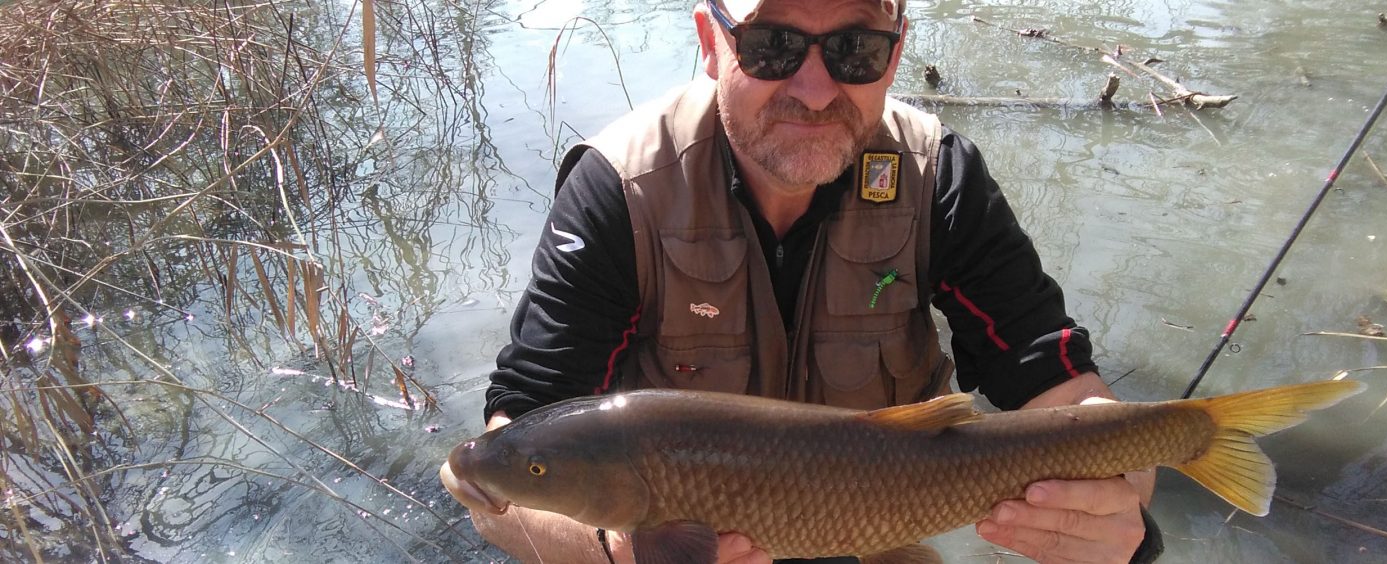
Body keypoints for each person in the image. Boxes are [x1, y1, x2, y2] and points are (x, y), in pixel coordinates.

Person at [448, 0, 1163, 562]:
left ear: (895, 55)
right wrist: (614, 553)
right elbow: (503, 473)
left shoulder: (940, 176)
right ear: (710, 41)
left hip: (873, 530)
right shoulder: (618, 189)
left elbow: (1065, 391)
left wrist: (1124, 518)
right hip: (662, 542)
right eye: (772, 47)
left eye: (855, 49)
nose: (815, 89)